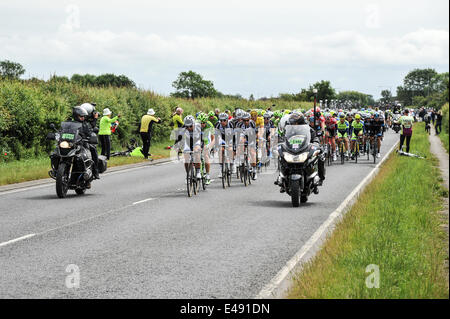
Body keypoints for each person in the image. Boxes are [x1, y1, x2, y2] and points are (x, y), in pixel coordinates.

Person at [79, 103, 100, 179]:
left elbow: (91, 129)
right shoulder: (74, 122)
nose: (81, 117)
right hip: (75, 142)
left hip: (84, 142)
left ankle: (95, 171)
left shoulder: (86, 123)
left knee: (93, 150)